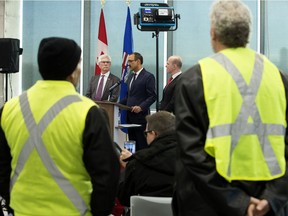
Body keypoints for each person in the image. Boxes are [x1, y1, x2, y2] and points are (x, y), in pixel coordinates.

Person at [173, 1, 288, 216]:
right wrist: (271, 198)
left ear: (213, 33)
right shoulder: (278, 77)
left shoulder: (195, 79)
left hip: (209, 204)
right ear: (247, 33)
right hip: (268, 204)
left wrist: (240, 202)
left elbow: (191, 153)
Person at [0, 37, 120, 216]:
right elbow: (107, 175)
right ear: (73, 72)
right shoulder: (89, 112)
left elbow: (2, 167)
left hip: (23, 210)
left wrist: (13, 203)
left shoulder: (9, 109)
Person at [117, 111, 177, 208]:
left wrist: (128, 167)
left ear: (153, 134)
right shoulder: (192, 158)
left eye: (146, 133)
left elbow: (124, 198)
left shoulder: (138, 163)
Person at [119, 52, 156, 151]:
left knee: (141, 145)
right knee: (132, 146)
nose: (128, 64)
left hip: (141, 118)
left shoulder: (148, 76)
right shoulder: (130, 76)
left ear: (138, 61)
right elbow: (129, 97)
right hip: (130, 117)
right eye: (128, 61)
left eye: (130, 61)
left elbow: (152, 96)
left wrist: (140, 107)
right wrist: (117, 105)